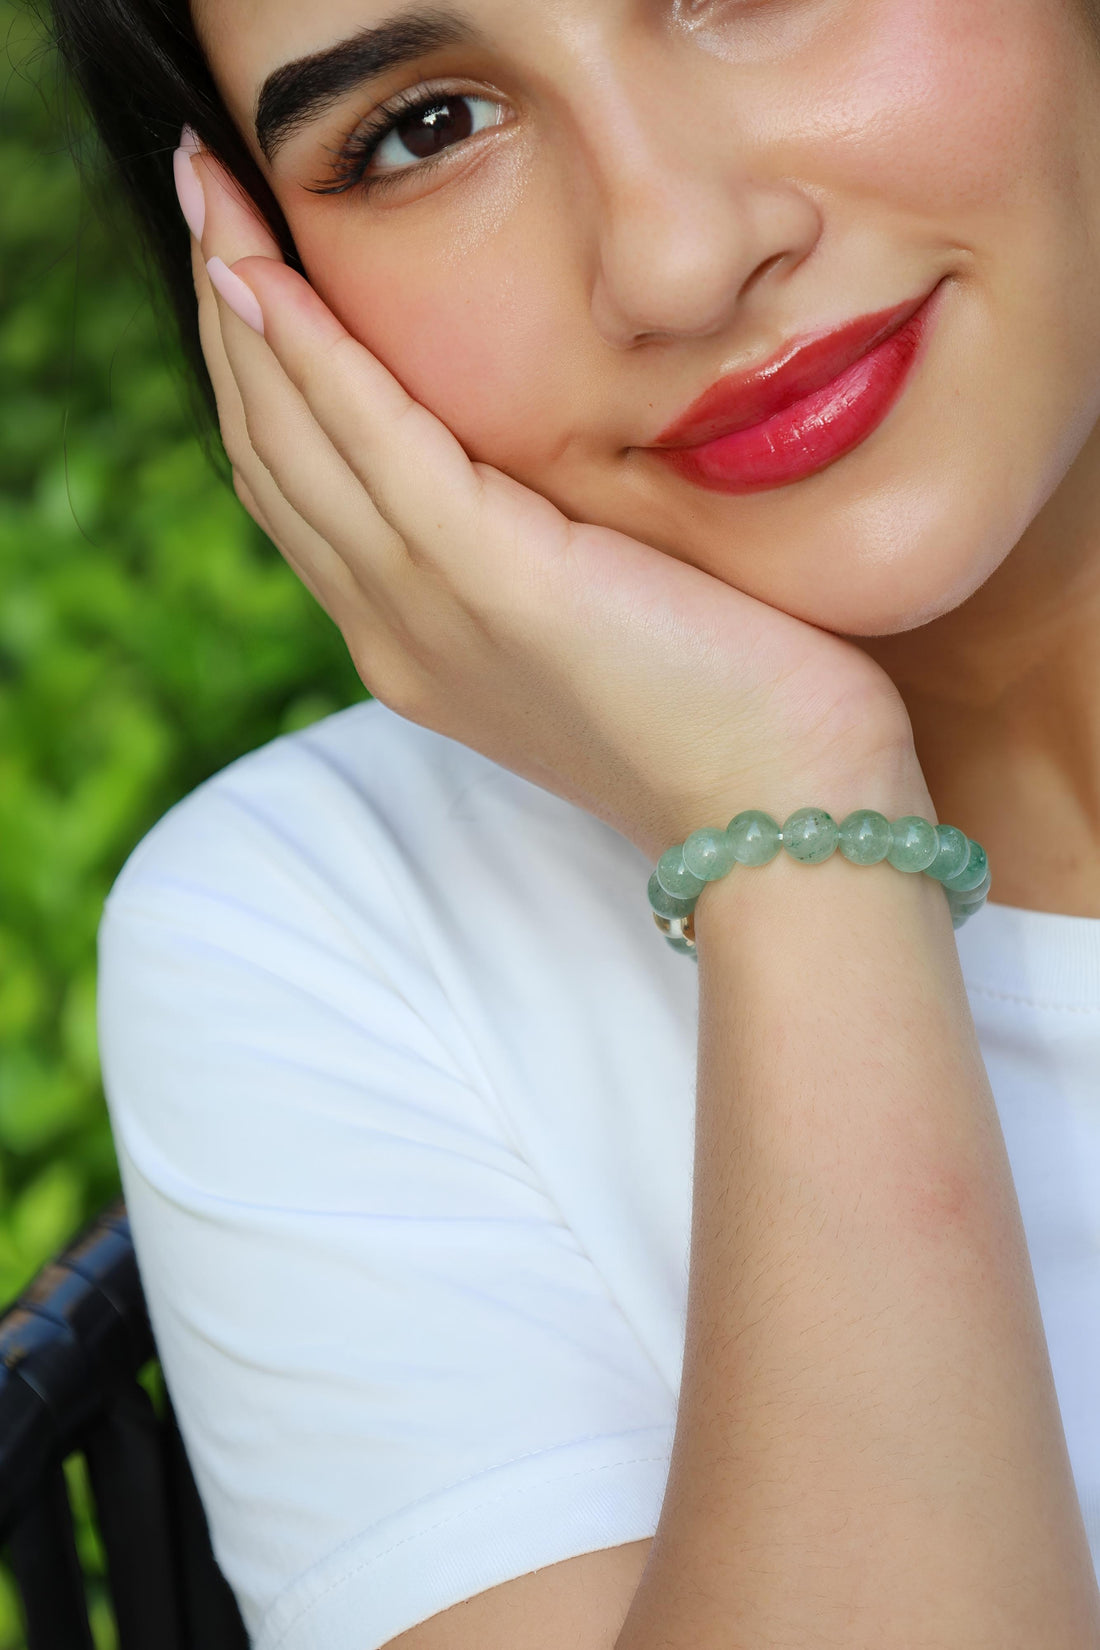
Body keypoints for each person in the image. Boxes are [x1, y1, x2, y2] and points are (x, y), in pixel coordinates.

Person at [50, 0, 1100, 1645]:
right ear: (261, 274)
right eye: (426, 130)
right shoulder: (324, 931)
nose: (676, 255)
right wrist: (792, 825)